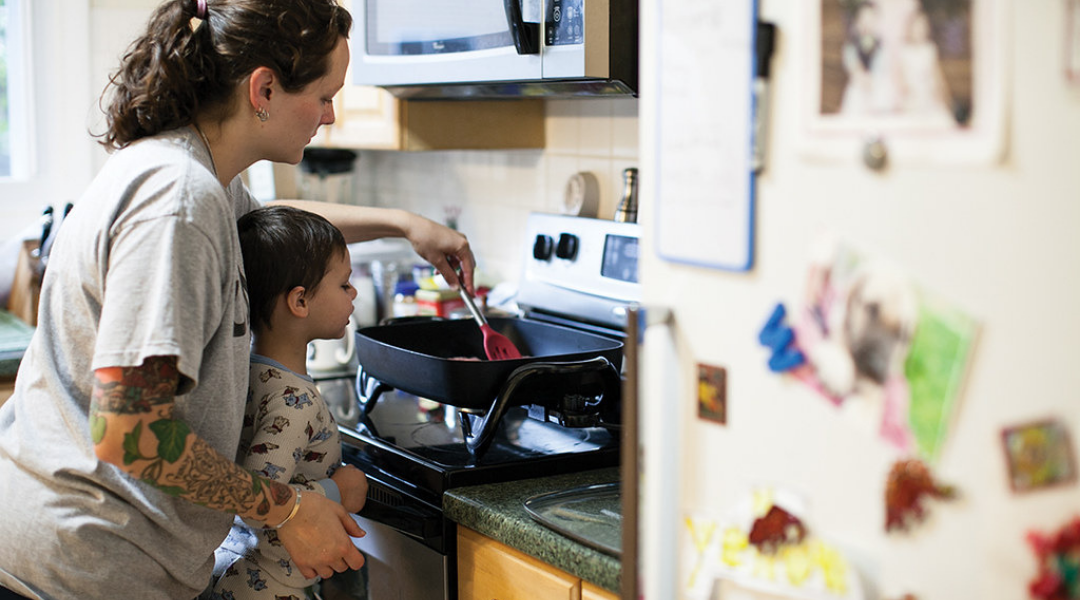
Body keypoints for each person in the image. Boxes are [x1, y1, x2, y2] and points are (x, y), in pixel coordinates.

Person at [0, 1, 474, 599]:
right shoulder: (180, 204)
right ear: (265, 88)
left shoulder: (203, 180)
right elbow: (131, 431)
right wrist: (286, 509)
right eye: (325, 95)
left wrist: (404, 225)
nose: (331, 116)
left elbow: (283, 223)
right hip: (82, 568)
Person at [205, 206, 368, 600]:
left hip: (229, 566)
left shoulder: (242, 373)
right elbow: (260, 496)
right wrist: (336, 490)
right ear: (299, 301)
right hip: (269, 588)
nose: (354, 293)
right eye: (344, 285)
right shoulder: (294, 401)